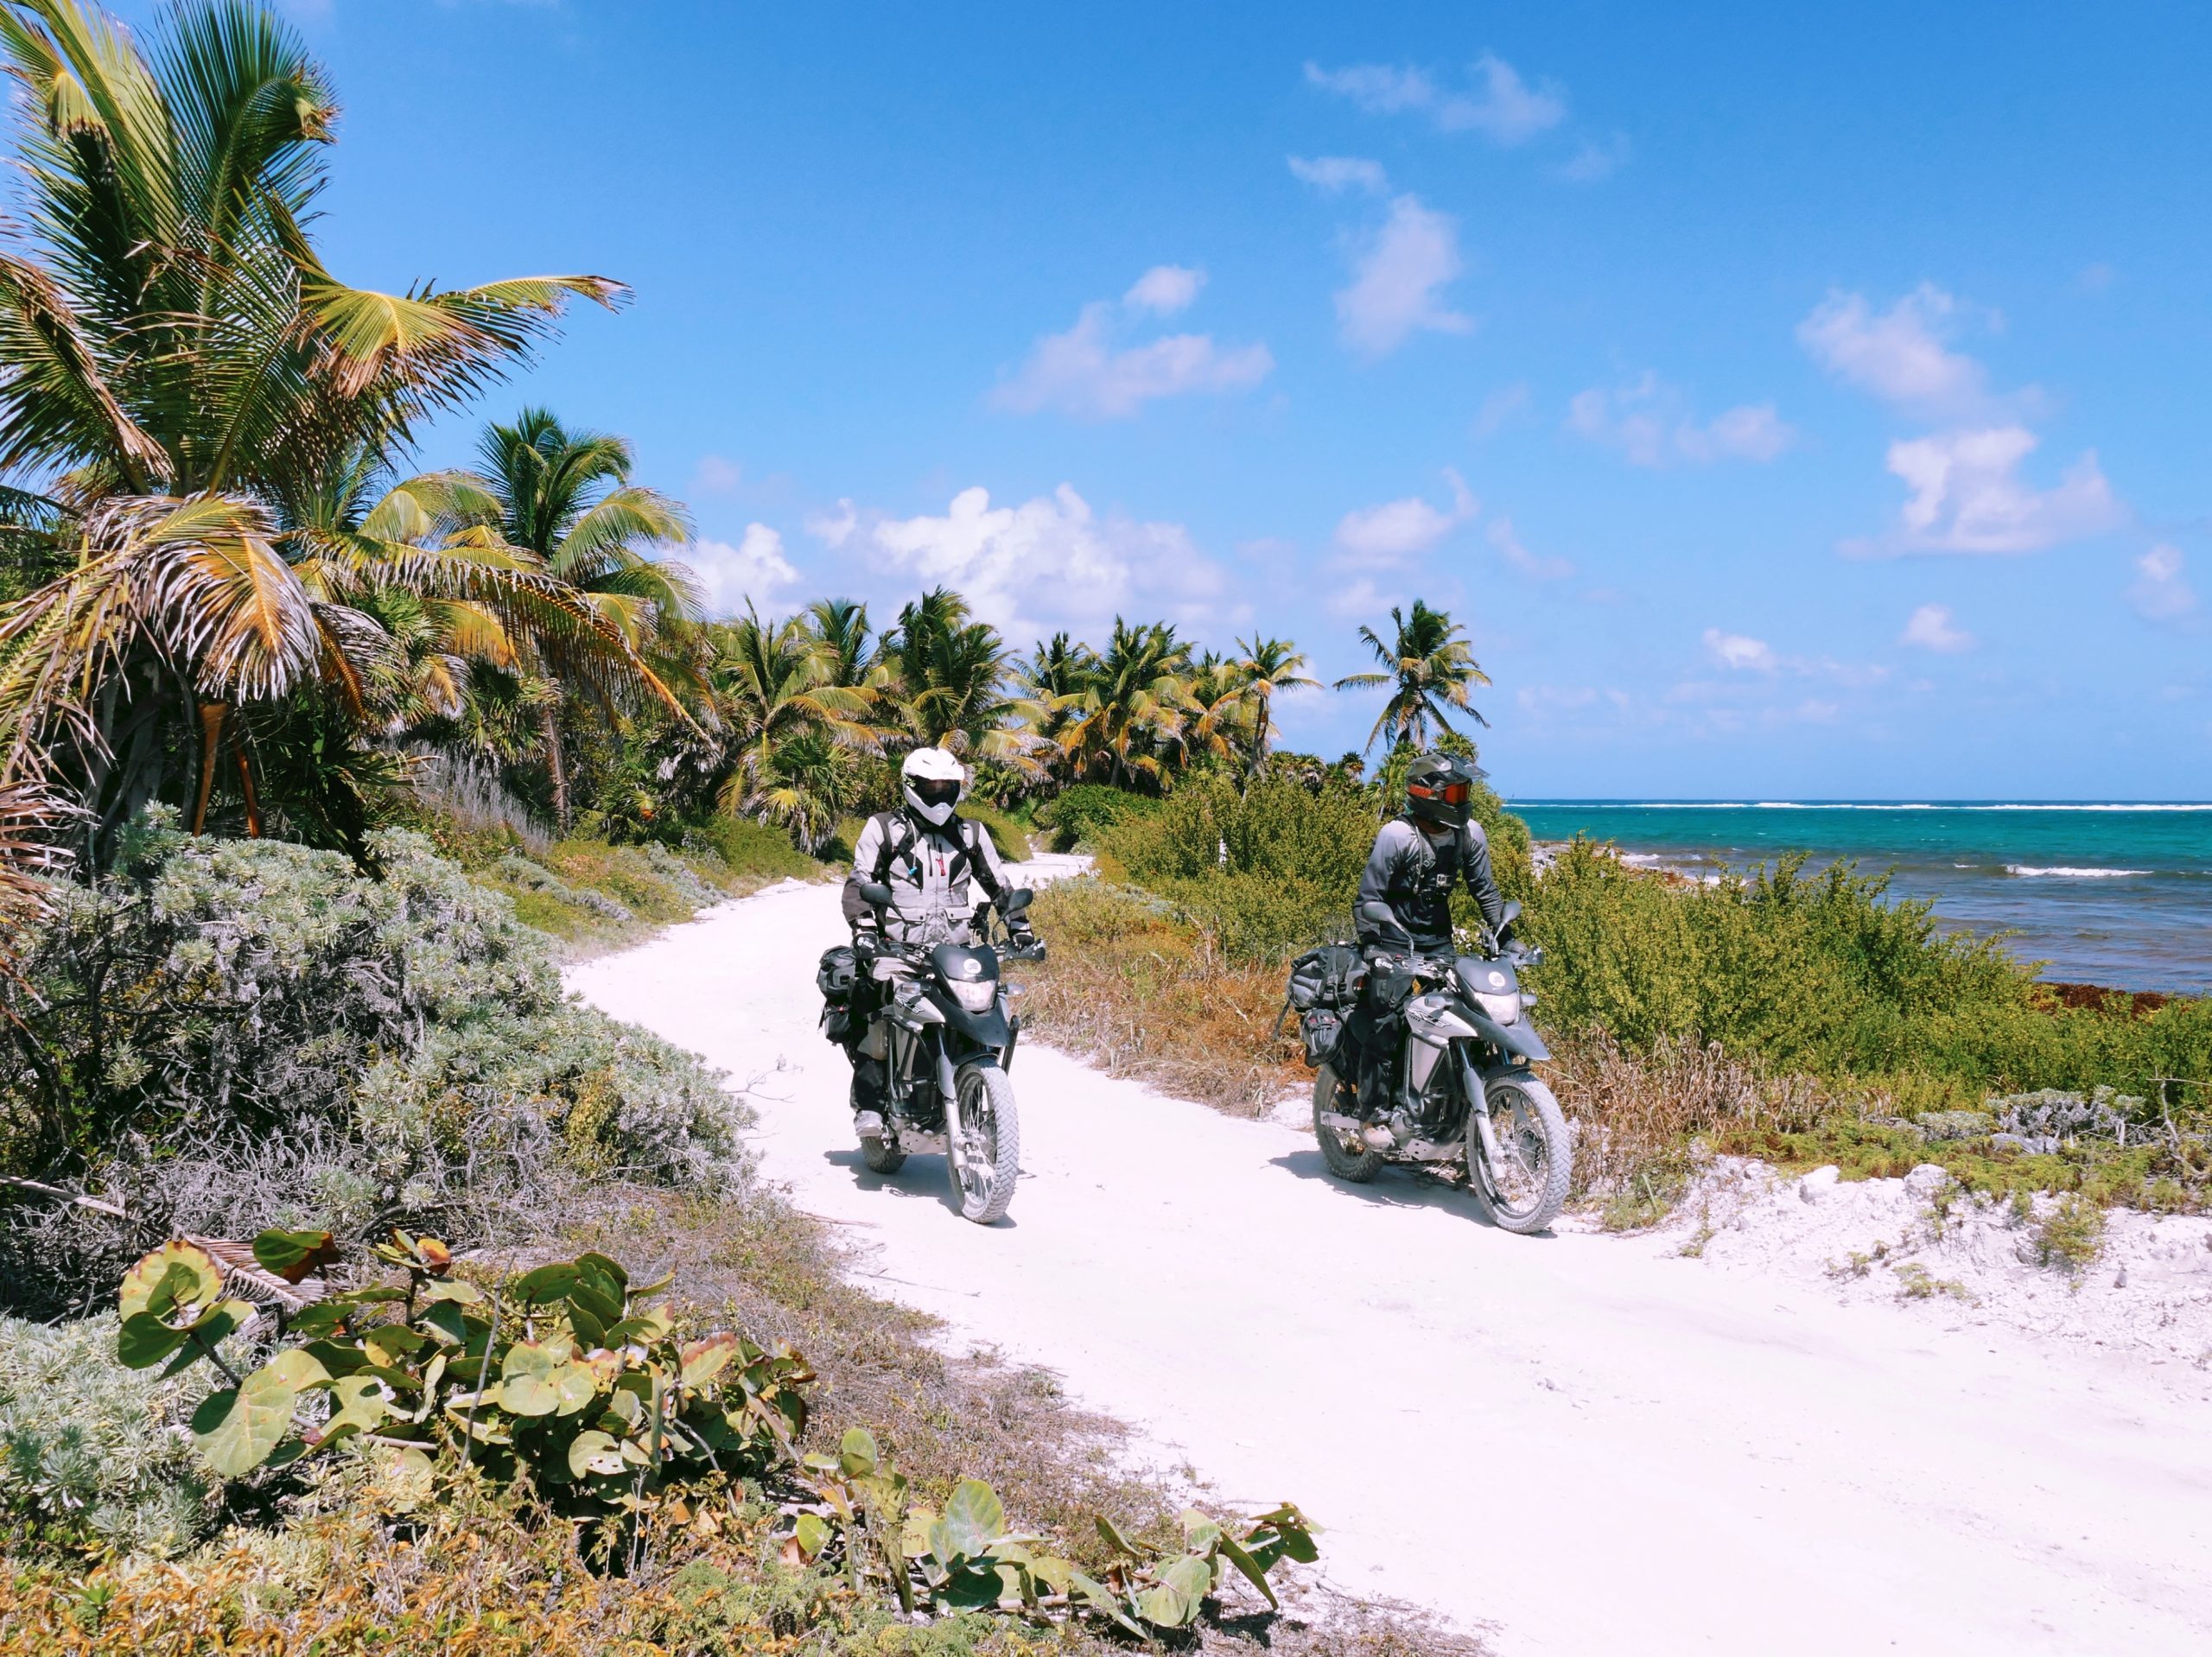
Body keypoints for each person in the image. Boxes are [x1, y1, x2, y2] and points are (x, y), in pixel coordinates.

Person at [839, 746, 1033, 1138]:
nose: (939, 795)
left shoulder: (971, 834)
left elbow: (1000, 886)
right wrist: (865, 932)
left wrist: (1021, 929)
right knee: (875, 1006)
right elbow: (860, 884)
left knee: (982, 1010)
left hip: (957, 951)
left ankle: (973, 1090)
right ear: (912, 786)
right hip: (899, 948)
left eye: (948, 787)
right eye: (931, 787)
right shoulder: (884, 829)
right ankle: (871, 1105)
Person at [1344, 752, 1506, 1124]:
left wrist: (1505, 935)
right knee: (1385, 1025)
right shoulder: (1397, 835)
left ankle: (1450, 1115)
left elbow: (1486, 892)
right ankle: (1373, 1114)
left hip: (1439, 943)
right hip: (1393, 942)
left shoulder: (1469, 834)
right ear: (1426, 793)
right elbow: (1369, 898)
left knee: (1467, 1020)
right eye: (1454, 794)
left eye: (1464, 793)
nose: (1462, 801)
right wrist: (1371, 947)